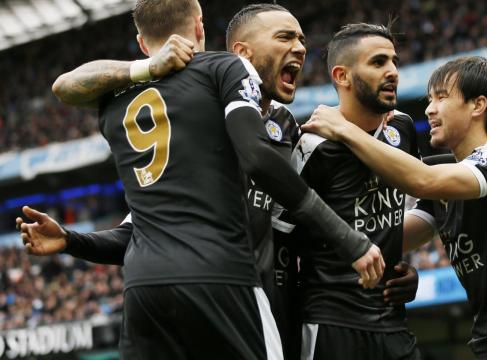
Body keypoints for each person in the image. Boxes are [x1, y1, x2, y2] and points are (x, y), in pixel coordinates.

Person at [35, 1, 386, 359]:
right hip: (229, 283)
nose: (299, 47)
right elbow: (259, 159)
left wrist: (70, 241)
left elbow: (67, 86)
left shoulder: (120, 101)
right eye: (284, 37)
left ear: (142, 42)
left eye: (300, 38)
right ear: (201, 28)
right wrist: (351, 242)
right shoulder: (222, 73)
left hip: (149, 288)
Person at [303, 55, 487, 359]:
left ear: (478, 105)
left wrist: (344, 129)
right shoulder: (450, 175)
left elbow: (421, 179)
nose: (429, 109)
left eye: (441, 98)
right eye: (429, 99)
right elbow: (387, 235)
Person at [273, 23, 421, 360]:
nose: (393, 72)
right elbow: (281, 238)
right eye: (379, 62)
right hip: (331, 326)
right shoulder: (313, 146)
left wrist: (404, 269)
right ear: (343, 76)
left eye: (394, 61)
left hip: (394, 324)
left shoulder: (402, 128)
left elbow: (421, 199)